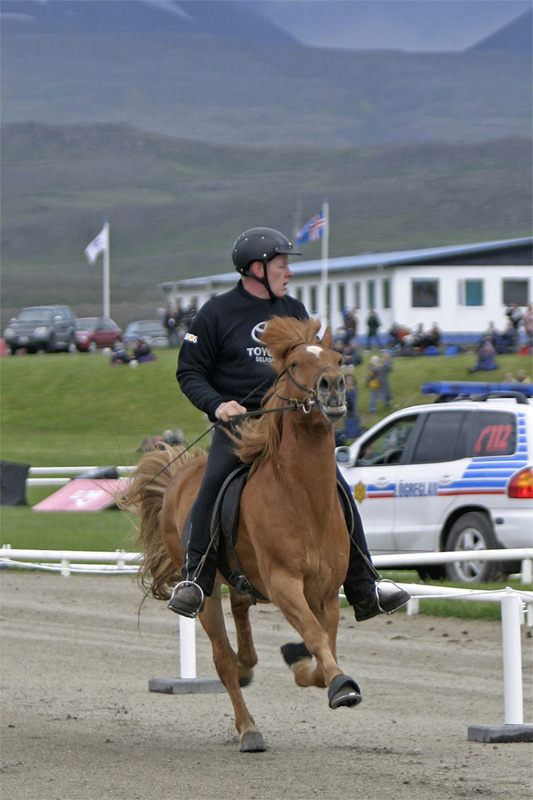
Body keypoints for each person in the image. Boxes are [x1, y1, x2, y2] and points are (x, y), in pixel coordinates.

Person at [168, 226, 408, 621]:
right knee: (211, 486)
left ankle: (365, 585)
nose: (289, 272)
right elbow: (189, 372)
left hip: (291, 427)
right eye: (282, 265)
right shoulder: (216, 313)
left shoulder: (295, 310)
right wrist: (218, 405)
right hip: (241, 426)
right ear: (255, 269)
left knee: (339, 488)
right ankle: (194, 579)